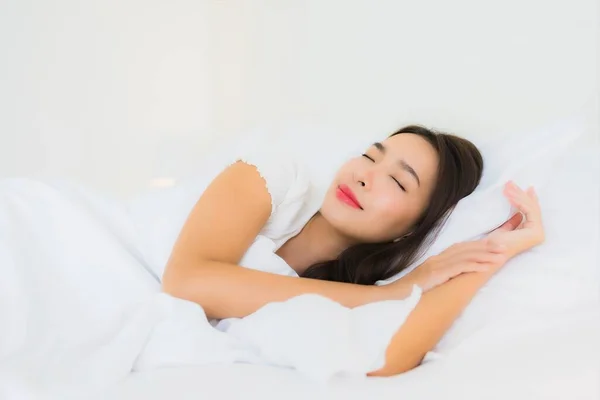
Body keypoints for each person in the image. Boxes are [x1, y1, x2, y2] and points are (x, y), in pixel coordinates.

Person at [161, 125, 545, 377]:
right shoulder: (274, 178)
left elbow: (390, 355)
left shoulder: (345, 293)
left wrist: (493, 253)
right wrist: (388, 296)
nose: (364, 175)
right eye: (369, 156)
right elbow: (187, 280)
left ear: (414, 230)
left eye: (397, 180)